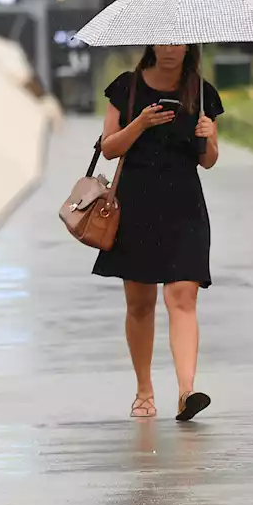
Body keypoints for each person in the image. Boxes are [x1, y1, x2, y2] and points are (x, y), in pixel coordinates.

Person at [93, 44, 225, 421]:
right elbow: (108, 148)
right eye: (163, 40)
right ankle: (144, 391)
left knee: (183, 297)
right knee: (139, 303)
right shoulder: (127, 88)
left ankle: (187, 391)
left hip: (184, 206)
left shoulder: (201, 93)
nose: (170, 48)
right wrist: (140, 123)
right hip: (135, 205)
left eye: (178, 40)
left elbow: (208, 161)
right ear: (152, 44)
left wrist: (209, 136)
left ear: (189, 46)